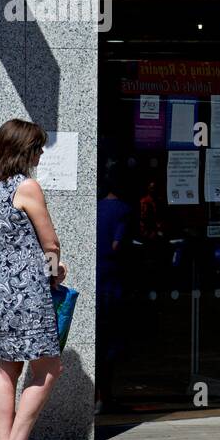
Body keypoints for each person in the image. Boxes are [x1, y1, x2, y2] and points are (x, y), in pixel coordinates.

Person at [0, 119, 66, 440]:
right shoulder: (26, 187)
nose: (41, 153)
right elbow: (50, 243)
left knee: (6, 367)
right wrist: (56, 271)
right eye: (37, 147)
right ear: (24, 150)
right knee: (49, 367)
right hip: (25, 290)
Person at [94, 171, 130, 414]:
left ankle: (98, 396)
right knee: (112, 340)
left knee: (100, 338)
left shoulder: (95, 207)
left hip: (97, 277)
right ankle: (105, 396)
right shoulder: (123, 210)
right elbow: (118, 244)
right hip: (112, 280)